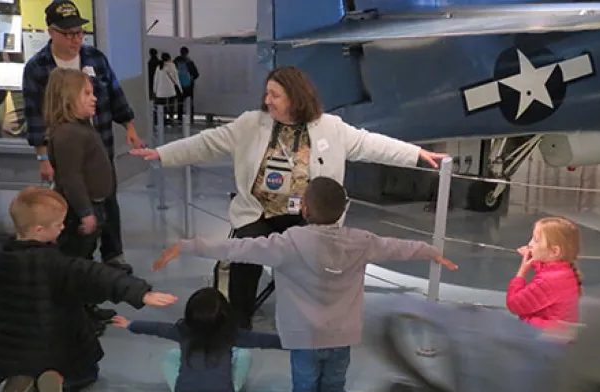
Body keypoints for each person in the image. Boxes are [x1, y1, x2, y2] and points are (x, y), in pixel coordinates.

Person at [130, 66, 448, 329]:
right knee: (241, 256)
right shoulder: (250, 125)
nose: (266, 100)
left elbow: (371, 144)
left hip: (309, 218)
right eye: (267, 93)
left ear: (295, 98)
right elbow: (206, 143)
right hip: (259, 214)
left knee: (321, 260)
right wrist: (161, 154)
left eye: (274, 95)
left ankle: (314, 319)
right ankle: (238, 322)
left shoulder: (330, 128)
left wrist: (415, 154)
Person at [152, 177, 457, 392]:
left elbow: (237, 247)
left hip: (305, 339)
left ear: (305, 209)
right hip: (343, 336)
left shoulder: (287, 243)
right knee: (335, 390)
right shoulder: (361, 241)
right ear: (342, 210)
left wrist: (188, 245)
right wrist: (431, 252)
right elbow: (397, 247)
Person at [0, 187, 177, 392]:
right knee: (84, 373)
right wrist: (140, 293)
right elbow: (97, 276)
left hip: (10, 344)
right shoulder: (59, 264)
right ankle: (57, 380)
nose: (61, 228)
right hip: (58, 342)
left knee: (21, 362)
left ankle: (22, 377)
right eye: (57, 225)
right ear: (38, 230)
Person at [23, 0, 144, 274]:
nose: (75, 39)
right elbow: (33, 115)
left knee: (107, 199)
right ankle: (78, 265)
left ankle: (112, 253)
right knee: (78, 201)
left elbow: (115, 95)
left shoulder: (95, 58)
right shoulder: (37, 68)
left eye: (79, 33)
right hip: (70, 150)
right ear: (51, 32)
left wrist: (130, 127)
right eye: (69, 34)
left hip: (98, 143)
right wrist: (43, 156)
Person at [112, 287, 282, 392]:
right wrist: (300, 341)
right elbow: (265, 340)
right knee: (243, 355)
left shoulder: (181, 331)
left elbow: (157, 328)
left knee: (171, 356)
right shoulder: (232, 335)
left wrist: (130, 324)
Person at [44, 67, 111, 261]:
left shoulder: (81, 128)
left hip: (94, 204)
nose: (94, 98)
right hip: (79, 210)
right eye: (87, 94)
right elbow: (71, 177)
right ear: (68, 99)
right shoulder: (69, 134)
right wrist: (85, 212)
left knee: (85, 253)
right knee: (76, 257)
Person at [507, 216, 583, 331]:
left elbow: (514, 304)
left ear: (554, 251)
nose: (529, 244)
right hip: (557, 335)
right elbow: (547, 270)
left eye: (536, 240)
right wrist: (533, 260)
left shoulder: (547, 281)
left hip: (544, 338)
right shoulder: (564, 272)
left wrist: (522, 272)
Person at [153, 52, 182, 127]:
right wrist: (180, 89)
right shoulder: (172, 66)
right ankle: (171, 121)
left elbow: (156, 79)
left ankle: (162, 121)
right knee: (171, 107)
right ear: (169, 58)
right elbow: (176, 79)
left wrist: (155, 90)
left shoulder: (159, 67)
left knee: (162, 107)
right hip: (170, 91)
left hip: (160, 92)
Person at [173, 46, 199, 124]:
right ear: (187, 53)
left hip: (178, 86)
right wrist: (191, 79)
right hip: (188, 86)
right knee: (189, 103)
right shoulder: (189, 62)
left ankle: (180, 119)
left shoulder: (175, 62)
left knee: (179, 103)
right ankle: (190, 119)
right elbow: (196, 74)